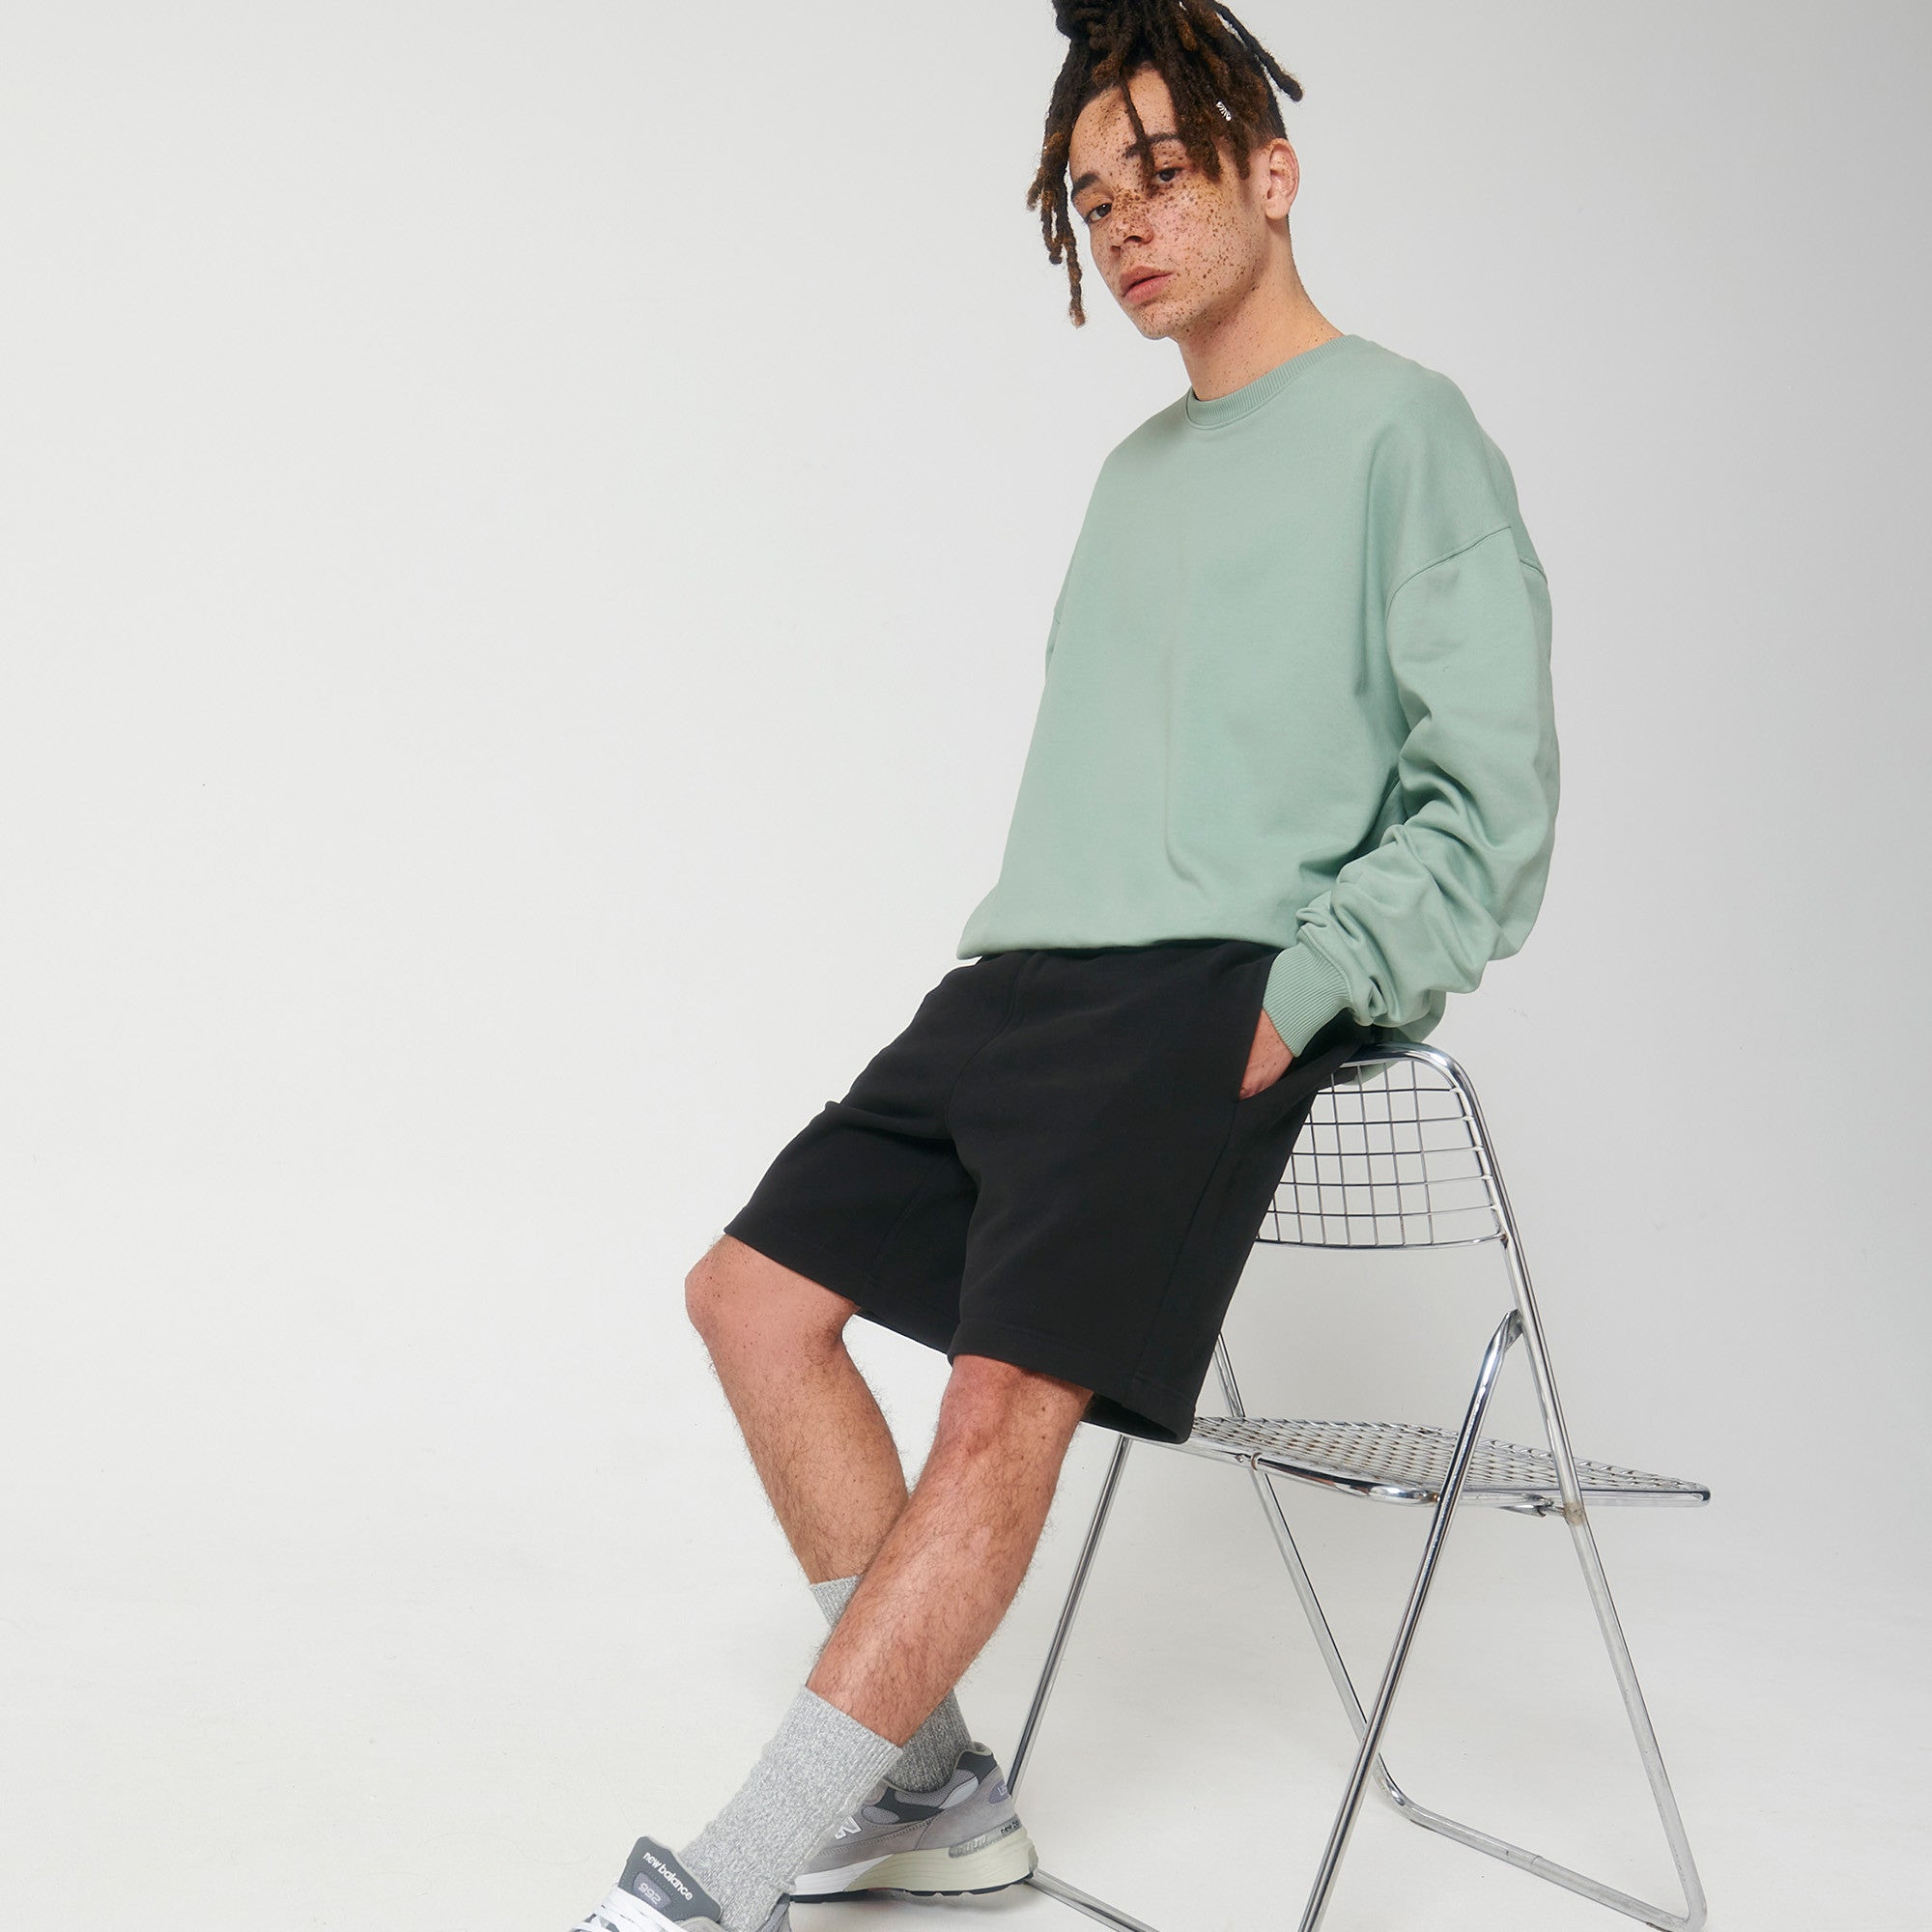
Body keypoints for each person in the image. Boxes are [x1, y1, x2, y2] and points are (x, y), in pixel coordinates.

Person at [570, 5, 1558, 1929]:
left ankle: (730, 1875)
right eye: (1092, 199)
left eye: (1161, 176)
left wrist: (1297, 992)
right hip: (1019, 976)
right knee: (749, 1300)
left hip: (1204, 994)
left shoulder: (1405, 430)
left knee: (998, 1400)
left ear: (1271, 174)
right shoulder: (1132, 476)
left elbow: (1490, 806)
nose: (1124, 226)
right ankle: (933, 1794)